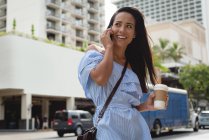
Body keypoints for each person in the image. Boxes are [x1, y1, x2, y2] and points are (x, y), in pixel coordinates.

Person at [78, 7, 167, 140]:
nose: (122, 30)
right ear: (110, 28)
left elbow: (127, 107)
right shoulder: (95, 53)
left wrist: (146, 106)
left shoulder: (133, 65)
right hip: (108, 128)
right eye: (118, 24)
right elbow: (101, 78)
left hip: (136, 130)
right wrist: (108, 47)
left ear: (135, 33)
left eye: (129, 26)